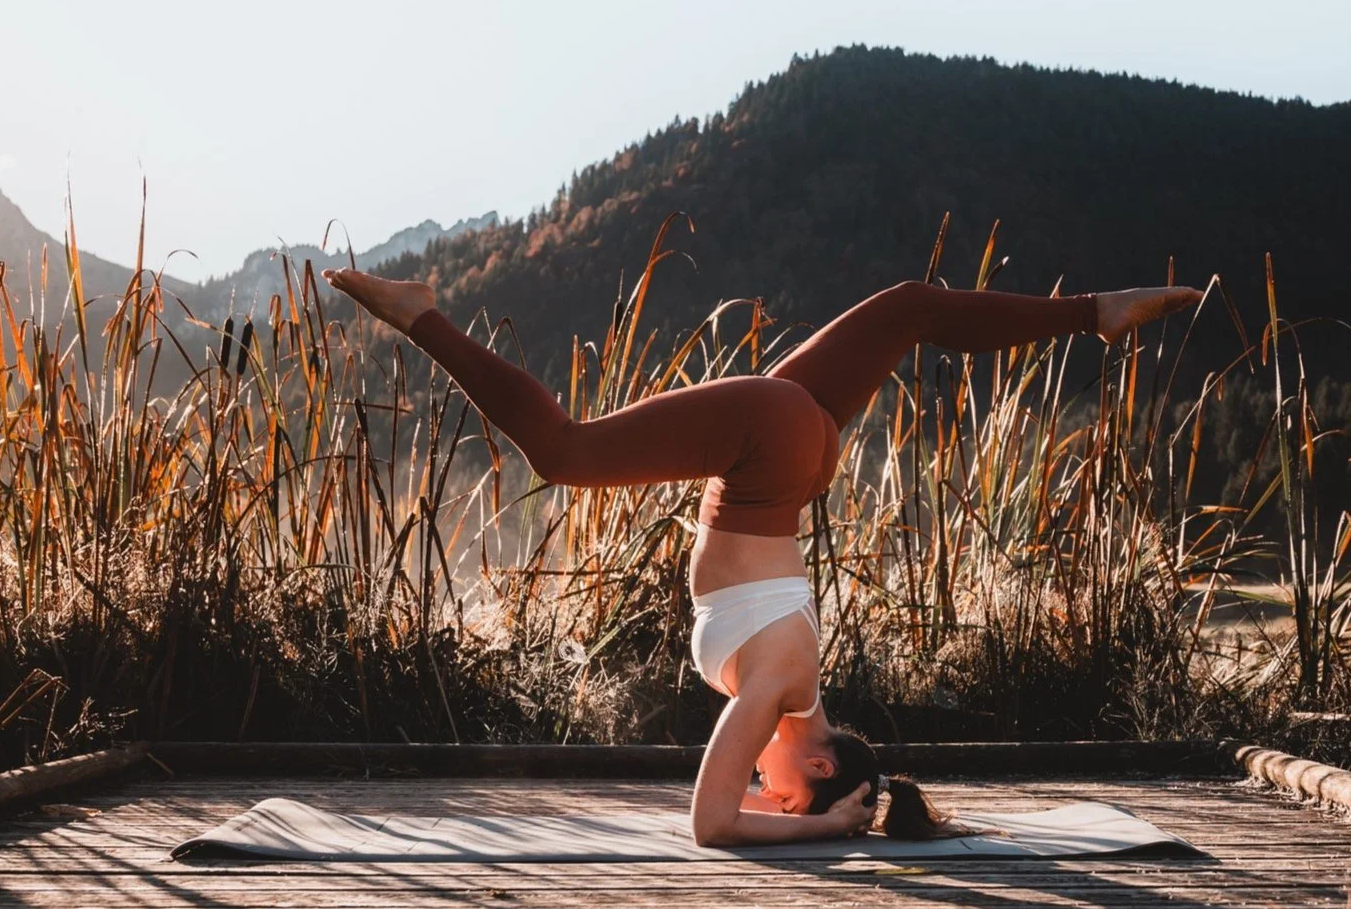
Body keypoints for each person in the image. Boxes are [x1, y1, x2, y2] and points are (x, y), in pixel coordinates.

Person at [323, 267, 1199, 846]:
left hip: (791, 457)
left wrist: (828, 813)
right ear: (818, 764)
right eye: (784, 794)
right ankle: (420, 314)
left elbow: (735, 803)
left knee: (911, 308)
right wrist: (822, 830)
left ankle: (1095, 312)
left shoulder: (796, 686)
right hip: (766, 450)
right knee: (568, 454)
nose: (763, 791)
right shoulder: (776, 691)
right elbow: (711, 825)